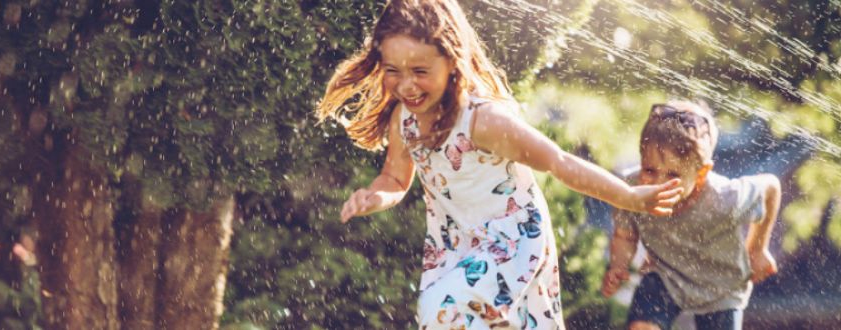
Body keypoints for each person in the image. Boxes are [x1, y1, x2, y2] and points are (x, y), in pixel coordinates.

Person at [316, 0, 683, 328]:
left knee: (439, 309)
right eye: (393, 70)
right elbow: (395, 178)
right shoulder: (404, 120)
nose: (407, 85)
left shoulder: (483, 121)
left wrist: (628, 197)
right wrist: (375, 196)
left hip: (512, 237)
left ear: (451, 58)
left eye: (420, 71)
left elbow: (558, 161)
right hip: (455, 245)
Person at [600, 101, 782, 330]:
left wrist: (757, 248)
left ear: (702, 173)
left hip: (721, 287)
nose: (658, 184)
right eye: (649, 170)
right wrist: (618, 265)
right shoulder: (631, 190)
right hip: (667, 276)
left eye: (673, 175)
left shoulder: (726, 198)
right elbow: (626, 235)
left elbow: (771, 187)